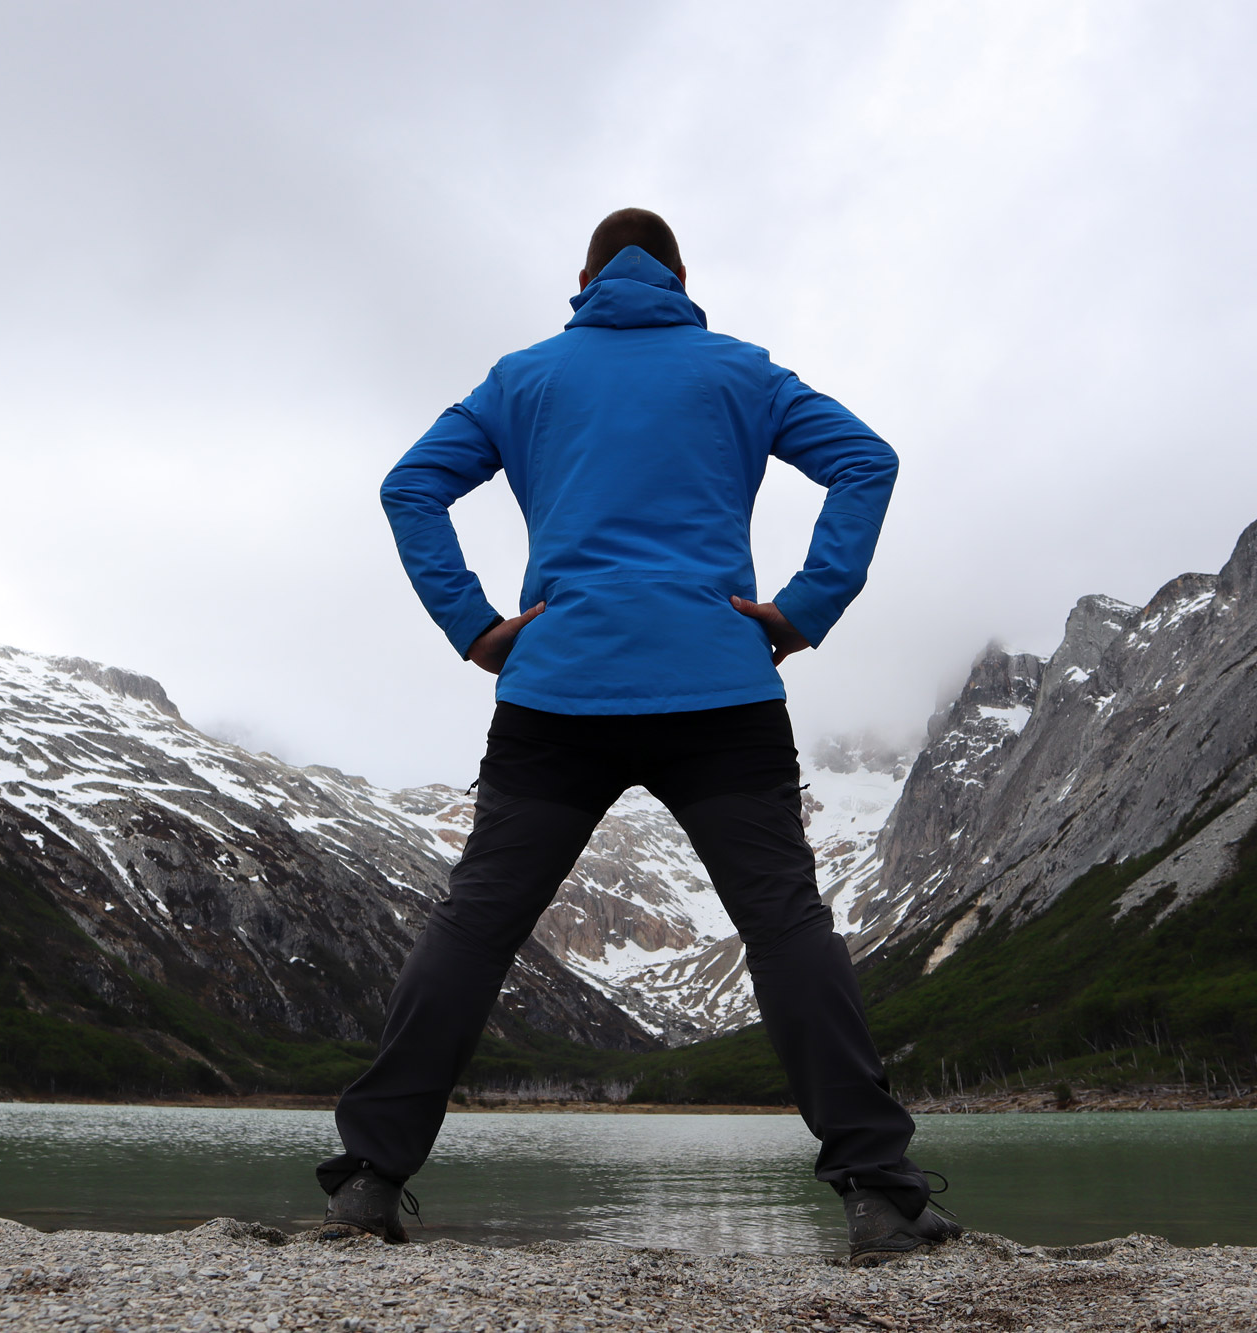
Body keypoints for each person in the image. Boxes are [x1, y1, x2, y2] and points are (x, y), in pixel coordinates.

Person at [317, 208, 959, 1264]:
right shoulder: (738, 371)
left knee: (474, 927)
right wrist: (802, 610)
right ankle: (880, 1193)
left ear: (583, 278)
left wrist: (475, 628)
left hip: (555, 694)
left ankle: (367, 1183)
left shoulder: (522, 379)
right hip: (719, 691)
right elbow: (865, 461)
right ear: (679, 277)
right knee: (784, 926)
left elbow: (409, 486)